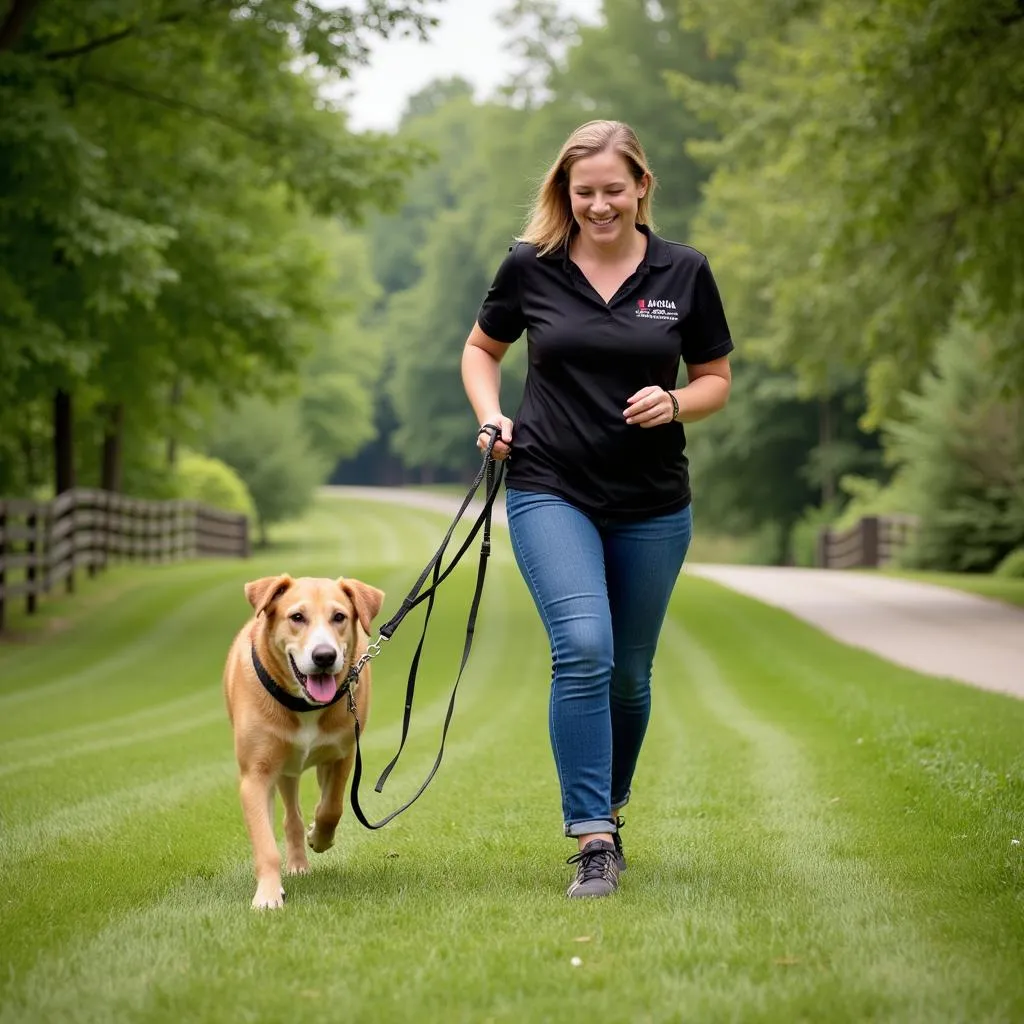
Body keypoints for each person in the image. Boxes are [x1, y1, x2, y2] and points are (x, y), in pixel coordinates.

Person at [460, 119, 734, 899]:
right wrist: (492, 416)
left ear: (642, 186)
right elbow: (482, 350)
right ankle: (591, 837)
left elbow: (716, 377)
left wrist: (676, 400)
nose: (600, 205)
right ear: (565, 193)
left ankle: (608, 804)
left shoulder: (684, 271)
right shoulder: (531, 267)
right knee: (584, 645)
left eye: (614, 190)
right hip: (551, 486)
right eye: (585, 193)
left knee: (630, 675)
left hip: (652, 503)